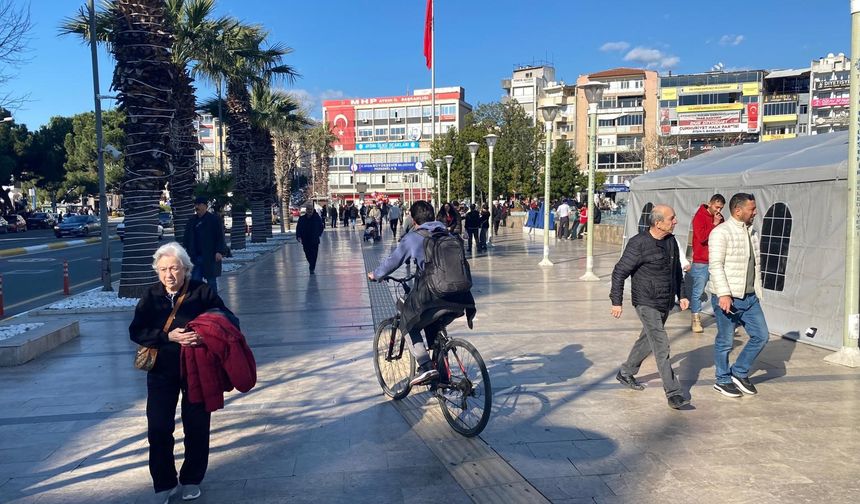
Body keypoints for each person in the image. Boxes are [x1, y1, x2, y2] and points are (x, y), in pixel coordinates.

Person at [130, 242, 236, 503]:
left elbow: (229, 320)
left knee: (197, 426)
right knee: (158, 426)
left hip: (197, 370)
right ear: (157, 271)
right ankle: (164, 483)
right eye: (163, 269)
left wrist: (201, 334)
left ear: (186, 269)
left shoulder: (202, 291)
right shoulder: (151, 295)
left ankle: (191, 479)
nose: (169, 274)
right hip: (161, 371)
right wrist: (168, 336)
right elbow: (136, 331)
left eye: (174, 268)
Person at [367, 201, 476, 385]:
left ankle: (426, 366)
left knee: (408, 323)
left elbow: (393, 261)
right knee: (434, 327)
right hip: (461, 297)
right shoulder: (446, 233)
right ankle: (442, 379)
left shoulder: (413, 237)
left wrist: (375, 274)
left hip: (434, 295)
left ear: (412, 217)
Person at [610, 204, 690, 410]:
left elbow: (676, 272)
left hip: (664, 301)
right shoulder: (639, 244)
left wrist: (682, 295)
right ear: (658, 223)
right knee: (661, 344)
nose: (676, 221)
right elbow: (619, 271)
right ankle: (674, 393)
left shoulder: (671, 241)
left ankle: (626, 372)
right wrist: (616, 301)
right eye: (672, 218)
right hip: (645, 301)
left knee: (647, 339)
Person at [708, 192, 769, 398]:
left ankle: (739, 372)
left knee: (761, 336)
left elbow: (754, 264)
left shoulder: (752, 231)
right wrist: (724, 294)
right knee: (725, 341)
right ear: (738, 210)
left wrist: (756, 290)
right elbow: (715, 265)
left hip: (750, 297)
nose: (755, 212)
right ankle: (722, 379)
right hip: (728, 297)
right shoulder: (720, 233)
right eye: (752, 209)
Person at [689, 194, 725, 333]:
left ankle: (723, 320)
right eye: (717, 207)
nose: (718, 210)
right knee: (698, 291)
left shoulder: (720, 218)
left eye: (721, 208)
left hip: (716, 260)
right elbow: (702, 237)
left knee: (718, 290)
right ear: (710, 204)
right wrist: (714, 224)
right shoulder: (699, 216)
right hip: (701, 260)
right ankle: (696, 319)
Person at [182, 196, 227, 296]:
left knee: (211, 281)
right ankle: (197, 301)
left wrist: (219, 251)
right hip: (195, 257)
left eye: (199, 205)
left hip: (209, 256)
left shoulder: (214, 219)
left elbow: (220, 237)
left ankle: (213, 302)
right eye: (196, 205)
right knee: (195, 281)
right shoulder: (192, 221)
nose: (197, 207)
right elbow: (186, 238)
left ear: (205, 206)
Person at [296, 201, 324, 274]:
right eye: (308, 209)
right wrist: (298, 236)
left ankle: (312, 267)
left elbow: (321, 227)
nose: (309, 211)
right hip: (305, 240)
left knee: (314, 254)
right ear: (306, 210)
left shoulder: (317, 217)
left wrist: (318, 234)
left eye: (311, 209)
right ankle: (311, 264)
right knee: (307, 254)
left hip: (314, 240)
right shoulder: (302, 219)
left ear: (313, 210)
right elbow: (298, 228)